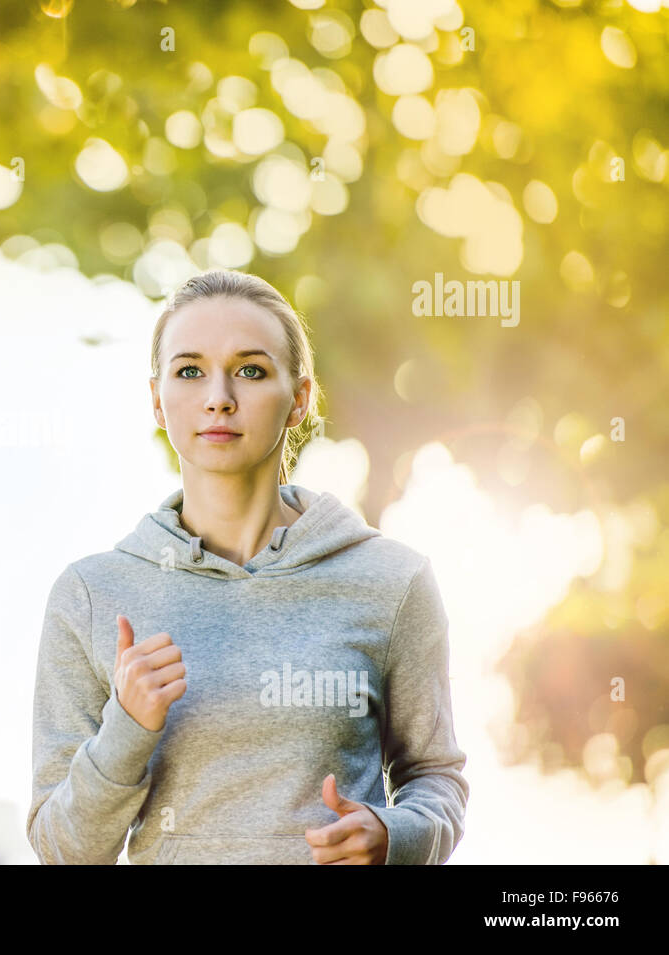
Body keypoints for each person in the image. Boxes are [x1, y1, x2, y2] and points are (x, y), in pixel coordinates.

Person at [26, 269, 469, 864]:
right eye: (189, 371)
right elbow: (63, 849)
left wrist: (394, 837)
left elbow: (435, 777)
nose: (219, 397)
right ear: (158, 400)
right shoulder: (91, 593)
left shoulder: (392, 582)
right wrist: (127, 728)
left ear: (300, 399)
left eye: (251, 370)